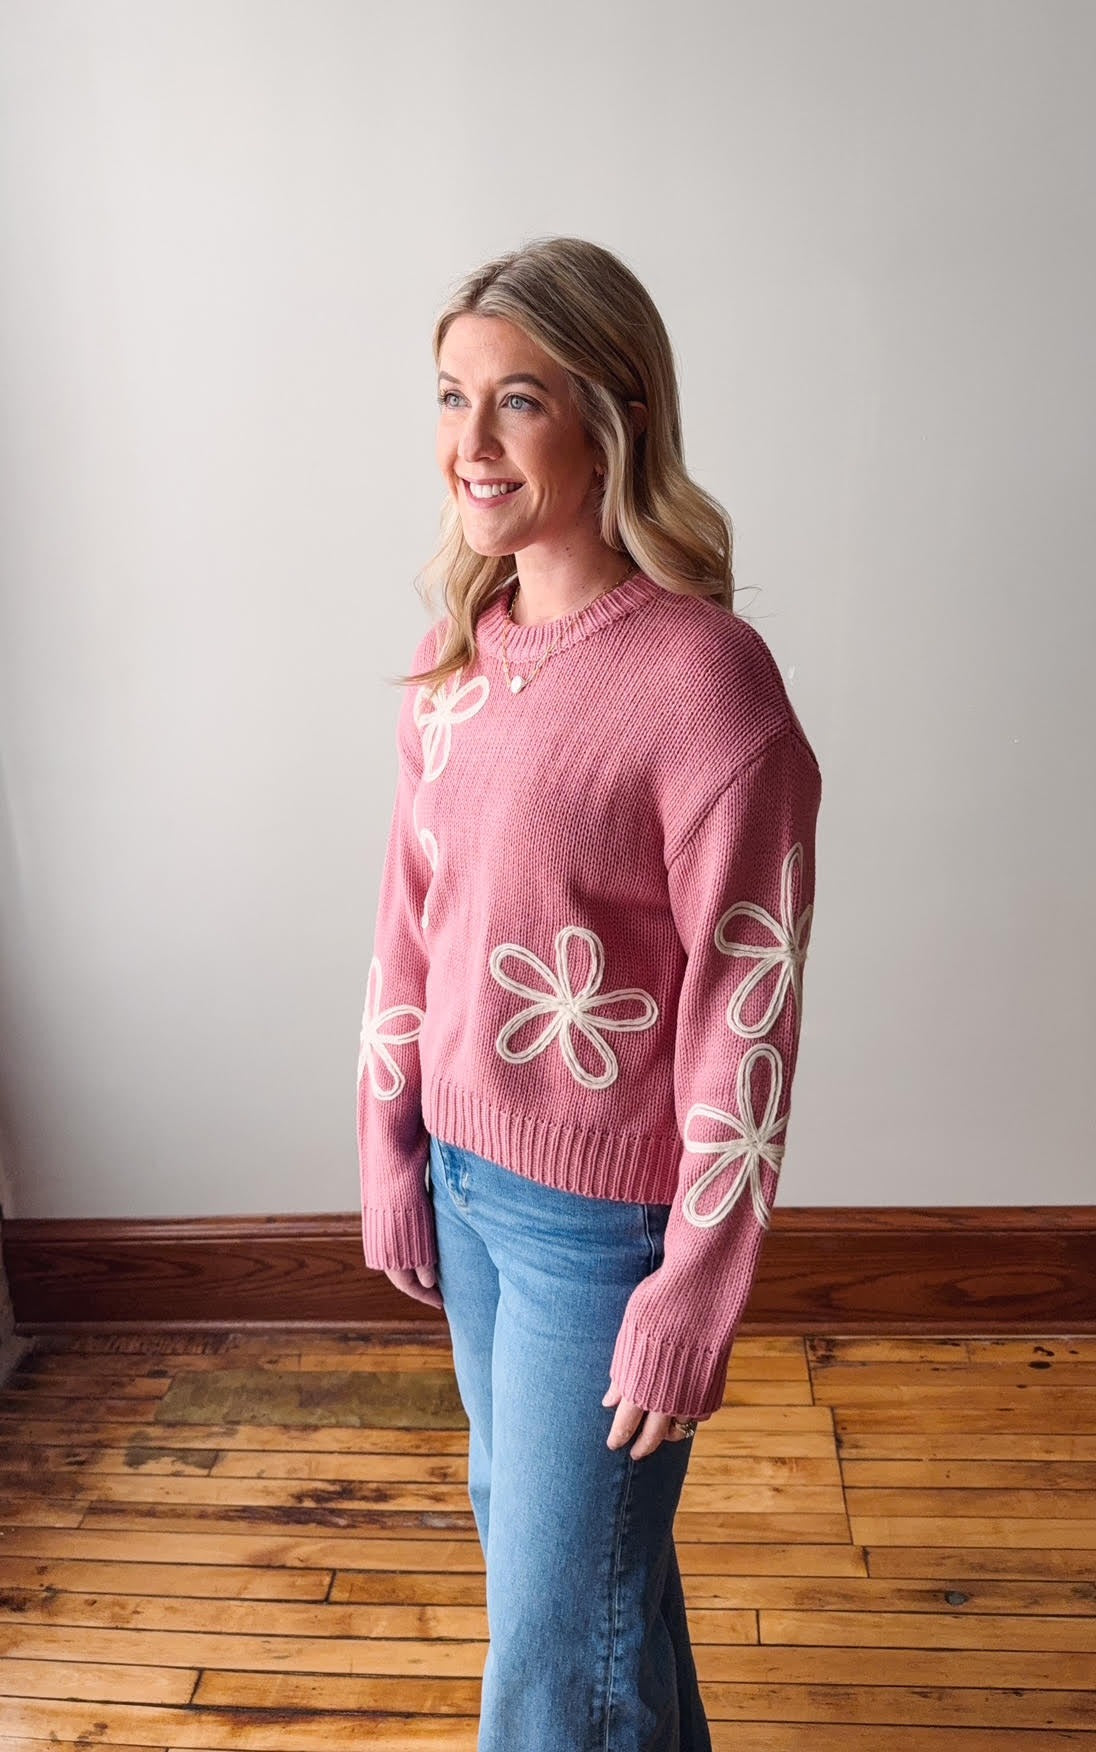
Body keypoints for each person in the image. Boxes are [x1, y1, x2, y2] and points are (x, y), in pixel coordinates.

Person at [356, 235, 822, 1752]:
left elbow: (749, 1012)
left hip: (599, 1238)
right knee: (580, 1588)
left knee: (552, 1652)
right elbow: (410, 919)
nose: (470, 443)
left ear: (611, 415)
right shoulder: (461, 652)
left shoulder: (708, 685)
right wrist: (389, 1140)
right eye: (451, 397)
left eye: (520, 403)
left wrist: (694, 1284)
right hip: (471, 1183)